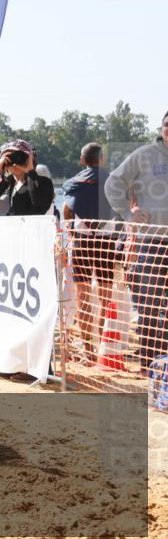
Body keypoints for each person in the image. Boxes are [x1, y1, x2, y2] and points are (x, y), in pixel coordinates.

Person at [104, 112, 168, 376]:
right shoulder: (144, 155)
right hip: (151, 243)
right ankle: (150, 366)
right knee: (149, 307)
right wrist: (128, 214)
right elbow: (113, 183)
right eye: (167, 125)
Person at [63, 142, 118, 364]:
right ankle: (105, 346)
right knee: (106, 296)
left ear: (82, 159)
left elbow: (67, 211)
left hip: (82, 241)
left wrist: (71, 233)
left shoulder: (74, 182)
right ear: (102, 159)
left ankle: (89, 350)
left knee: (83, 296)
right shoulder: (113, 180)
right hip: (106, 240)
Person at [0, 139, 55, 216]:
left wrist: (30, 172)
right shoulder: (3, 184)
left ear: (30, 159)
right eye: (10, 157)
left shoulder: (43, 183)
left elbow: (40, 204)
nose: (14, 161)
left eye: (18, 156)